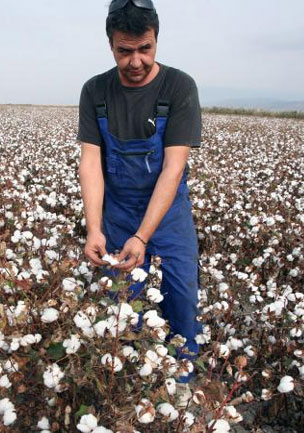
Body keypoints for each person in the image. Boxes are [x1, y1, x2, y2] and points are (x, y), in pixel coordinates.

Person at [77, 0, 202, 407]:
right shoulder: (95, 91)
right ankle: (132, 374)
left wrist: (143, 235)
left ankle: (181, 376)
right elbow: (91, 164)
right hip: (117, 213)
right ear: (110, 45)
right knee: (123, 298)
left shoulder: (178, 87)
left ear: (156, 40)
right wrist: (94, 228)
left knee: (181, 294)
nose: (135, 61)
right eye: (124, 50)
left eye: (144, 49)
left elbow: (173, 168)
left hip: (166, 215)